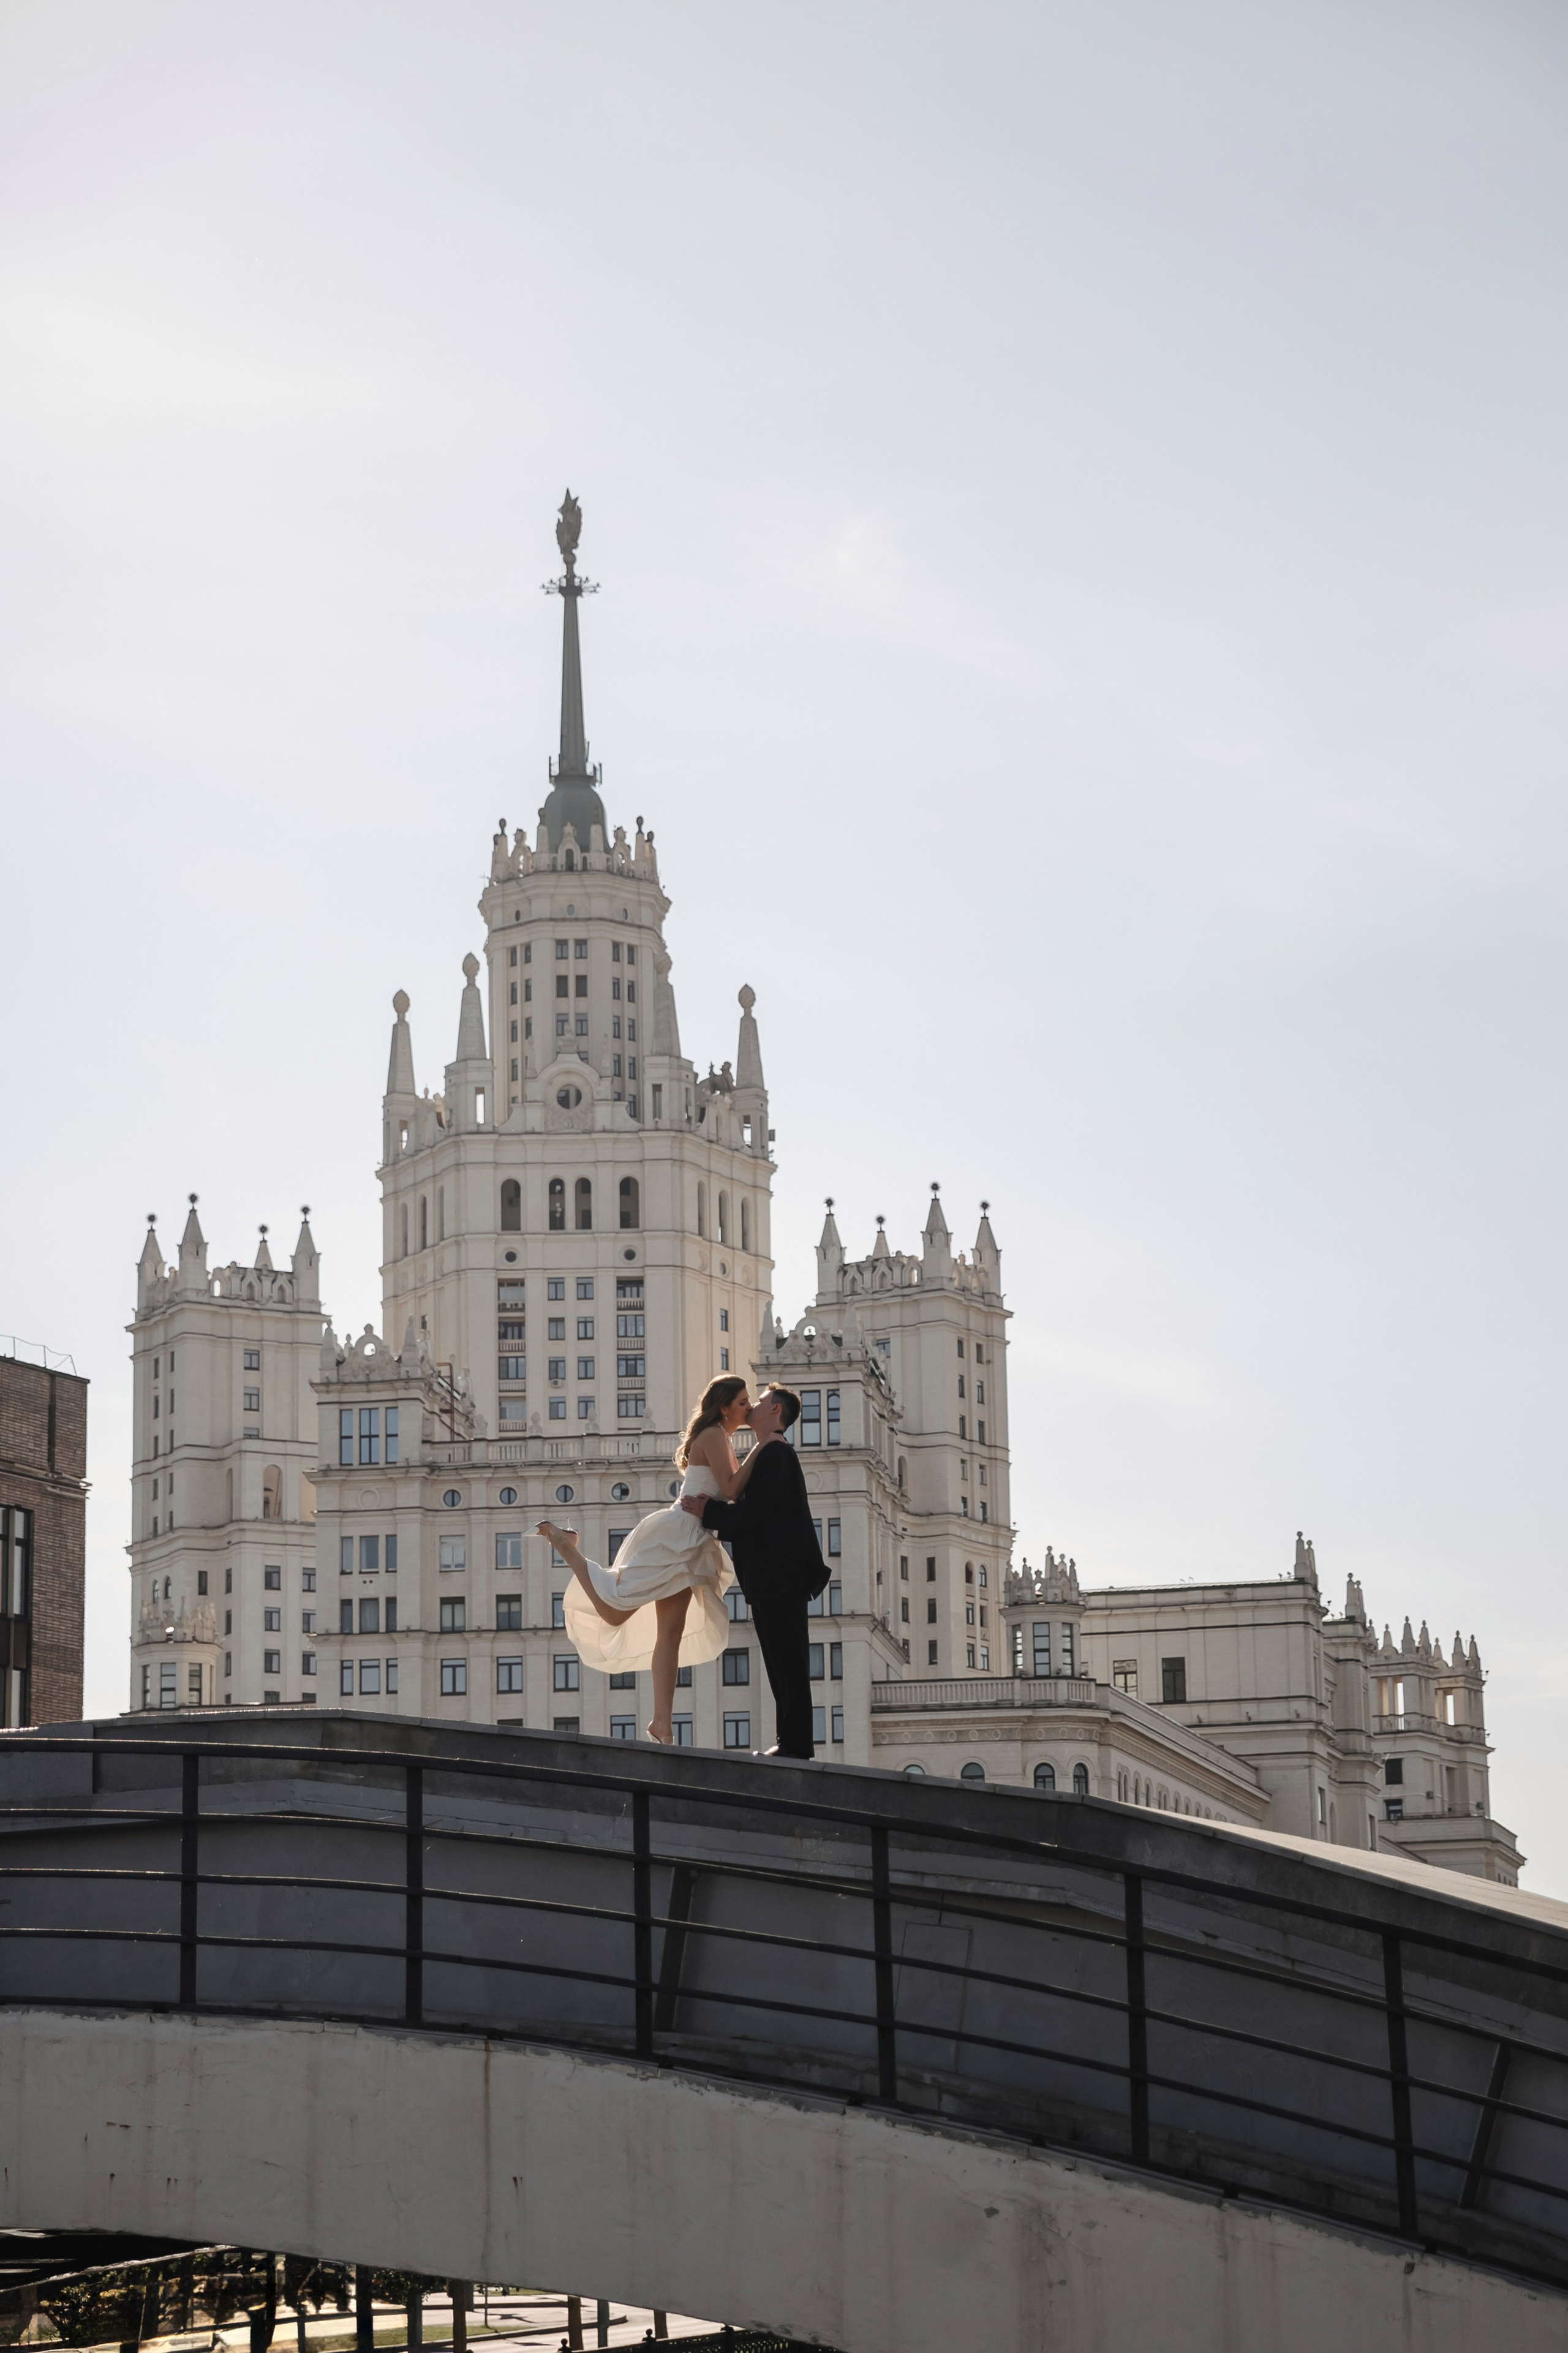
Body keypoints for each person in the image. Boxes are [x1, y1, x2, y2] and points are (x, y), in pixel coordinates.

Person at [537, 1375, 777, 1745]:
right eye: (743, 1402)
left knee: (671, 1633)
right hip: (678, 1537)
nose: (749, 1408)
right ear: (725, 1406)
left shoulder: (723, 1438)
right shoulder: (714, 1434)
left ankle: (661, 1723)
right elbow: (730, 1489)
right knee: (617, 1612)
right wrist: (763, 1447)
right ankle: (567, 1546)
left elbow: (729, 1493)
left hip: (694, 1540)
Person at [681, 1383, 826, 1759]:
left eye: (758, 1402)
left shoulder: (777, 1454)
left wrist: (707, 1513)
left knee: (788, 1661)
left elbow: (753, 1513)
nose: (751, 1408)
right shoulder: (768, 1453)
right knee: (781, 1661)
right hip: (770, 1579)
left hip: (780, 1577)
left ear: (775, 1412)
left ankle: (795, 1745)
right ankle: (792, 1742)